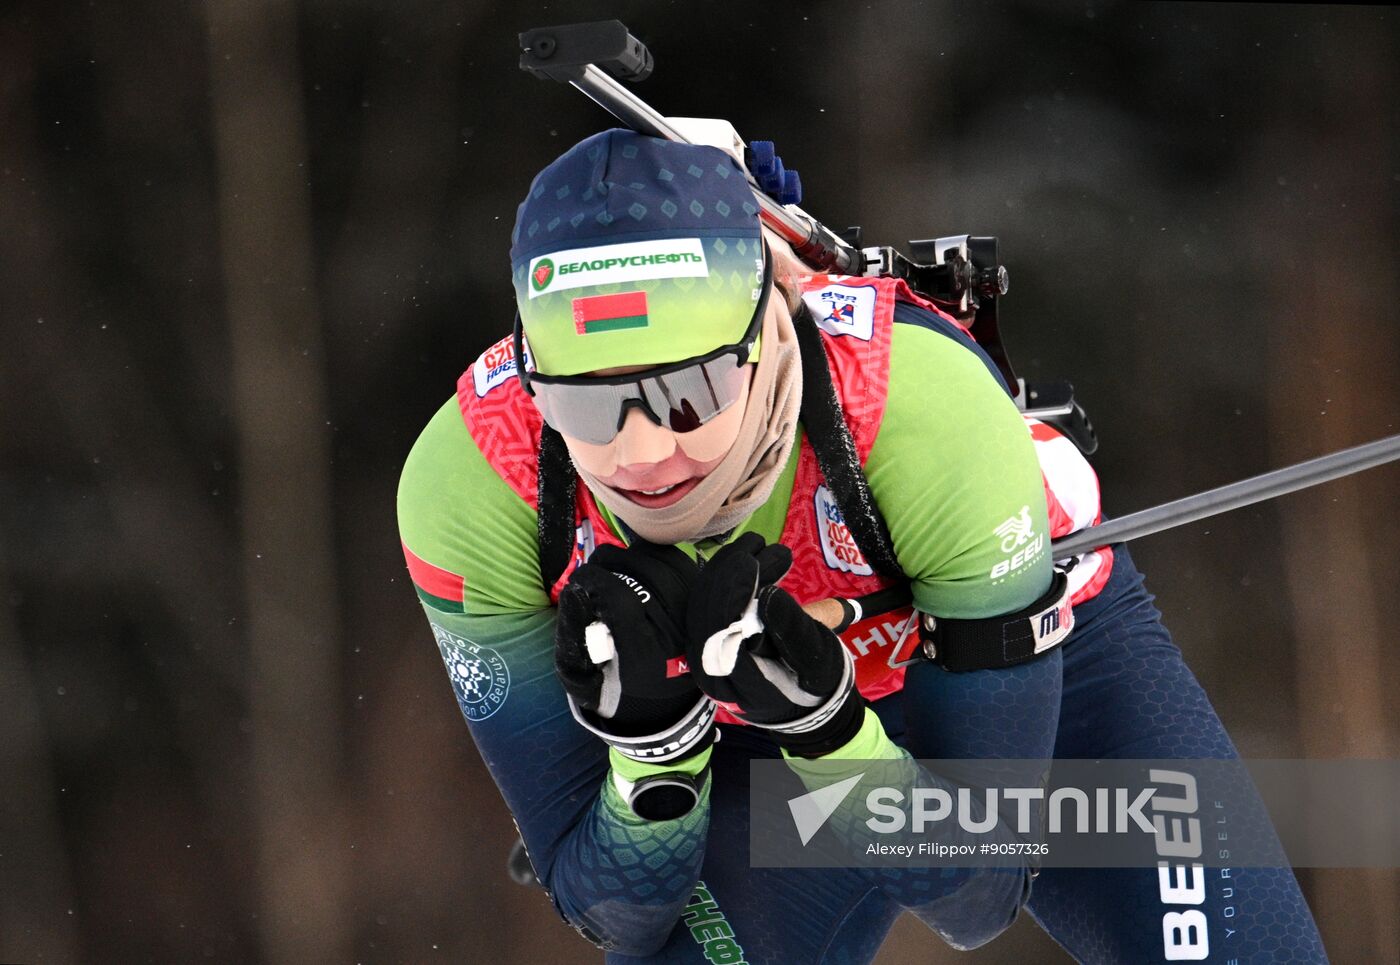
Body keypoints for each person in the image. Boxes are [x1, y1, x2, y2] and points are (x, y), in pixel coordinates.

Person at [397, 129, 1327, 963]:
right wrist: (653, 748)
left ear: (762, 336)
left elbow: (979, 892)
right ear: (531, 370)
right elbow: (610, 911)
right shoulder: (476, 480)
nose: (643, 454)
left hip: (1032, 668)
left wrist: (828, 730)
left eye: (687, 393)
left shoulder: (916, 408)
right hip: (749, 743)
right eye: (587, 402)